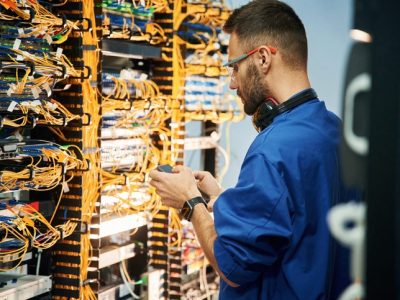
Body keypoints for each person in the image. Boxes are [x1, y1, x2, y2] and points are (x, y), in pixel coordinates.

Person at [150, 1, 347, 299]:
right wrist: (218, 199)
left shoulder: (273, 148)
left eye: (235, 67)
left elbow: (232, 266)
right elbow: (295, 216)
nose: (232, 83)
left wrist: (191, 204)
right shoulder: (334, 130)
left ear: (264, 58)